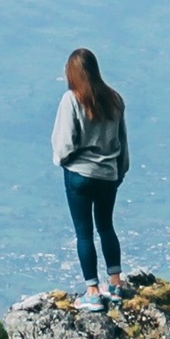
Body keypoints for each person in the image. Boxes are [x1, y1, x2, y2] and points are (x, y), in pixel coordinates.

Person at [51, 48, 129, 312]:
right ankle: (116, 284)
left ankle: (93, 292)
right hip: (108, 174)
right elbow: (123, 141)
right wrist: (119, 172)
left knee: (84, 233)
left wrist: (63, 161)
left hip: (79, 175)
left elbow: (64, 143)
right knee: (106, 226)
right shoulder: (115, 99)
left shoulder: (71, 100)